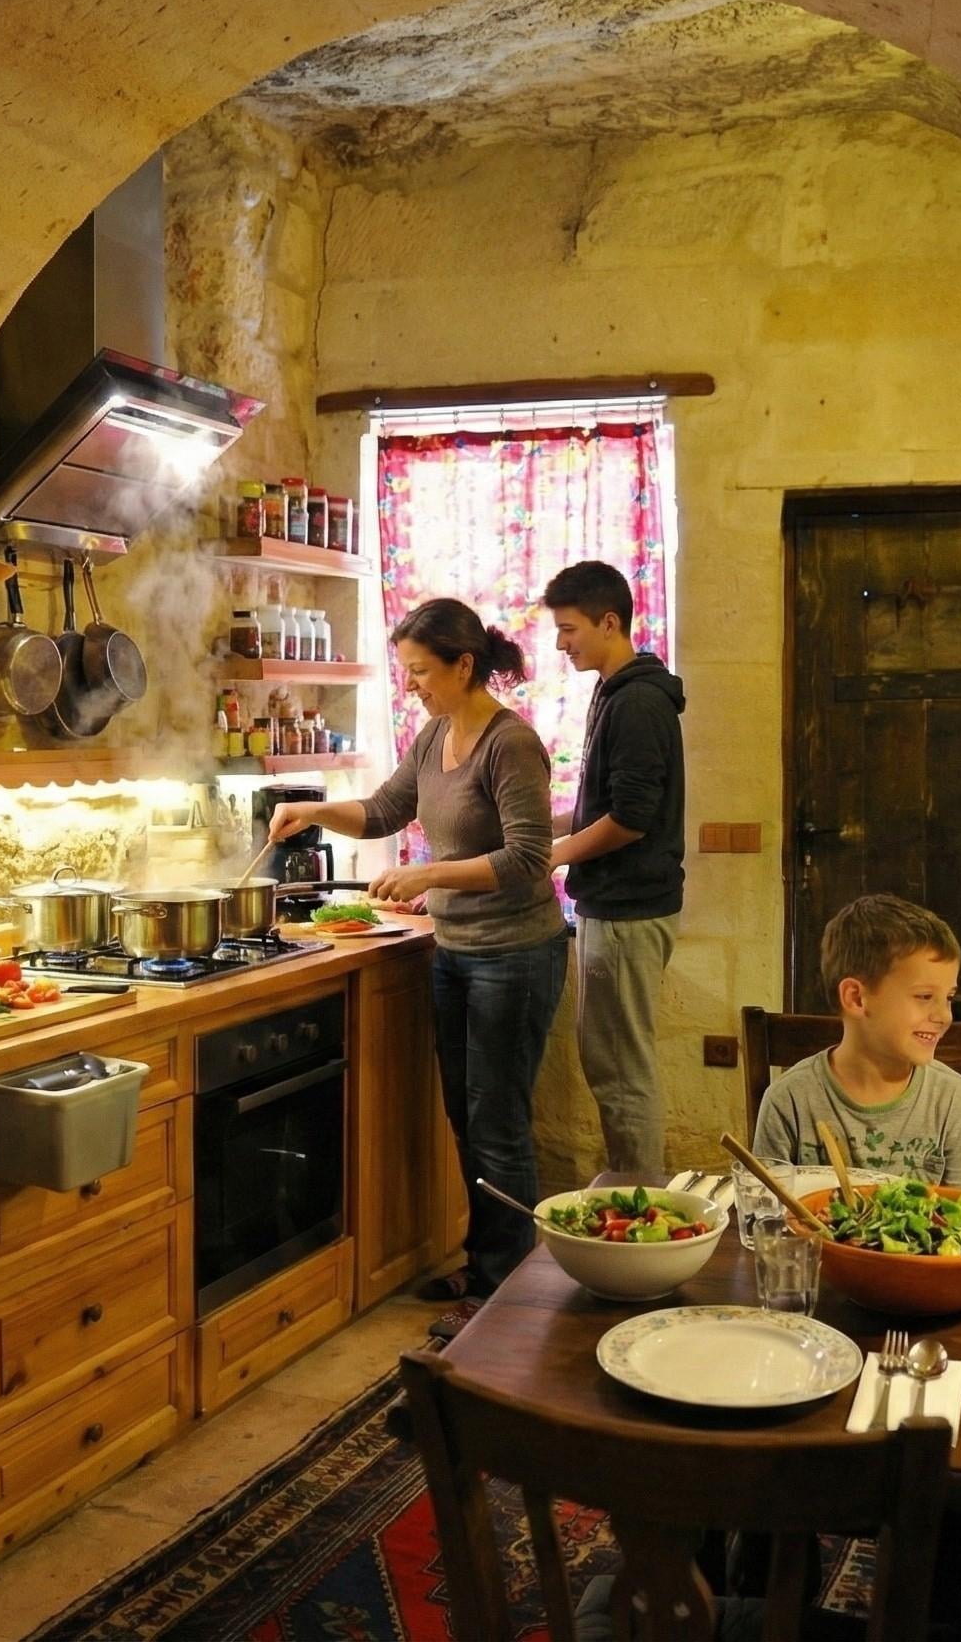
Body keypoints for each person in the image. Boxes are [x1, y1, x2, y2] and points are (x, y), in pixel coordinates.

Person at [264, 598, 567, 1332]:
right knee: (468, 1120)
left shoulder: (511, 744)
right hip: (458, 954)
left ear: (466, 667)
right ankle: (487, 1270)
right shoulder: (434, 736)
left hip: (515, 955)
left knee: (499, 1125)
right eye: (406, 674)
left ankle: (503, 1294)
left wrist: (431, 876)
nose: (413, 688)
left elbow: (529, 860)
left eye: (422, 673)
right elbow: (384, 811)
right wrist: (312, 811)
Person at [544, 560, 686, 1183]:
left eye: (569, 628)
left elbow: (630, 819)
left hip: (629, 909)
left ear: (610, 622)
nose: (560, 643)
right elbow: (607, 804)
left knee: (621, 1067)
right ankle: (633, 1184)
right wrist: (537, 826)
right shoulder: (616, 691)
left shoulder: (638, 703)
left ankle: (641, 1196)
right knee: (612, 1061)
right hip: (617, 906)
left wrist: (553, 854)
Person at [751, 895, 961, 1193]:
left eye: (949, 998)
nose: (944, 1015)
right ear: (856, 998)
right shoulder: (788, 1101)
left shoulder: (956, 1102)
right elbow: (765, 1219)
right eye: (924, 996)